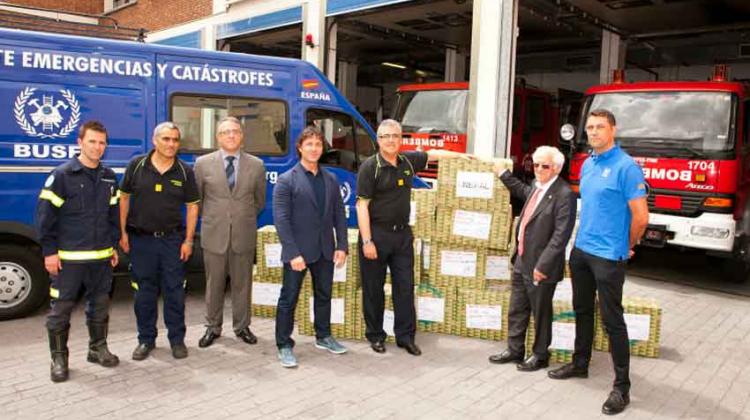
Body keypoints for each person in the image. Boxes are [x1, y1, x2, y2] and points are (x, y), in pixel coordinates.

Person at [547, 109, 649, 416]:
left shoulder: (627, 167)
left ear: (613, 130)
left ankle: (622, 387)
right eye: (590, 127)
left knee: (612, 320)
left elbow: (641, 217)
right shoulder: (588, 164)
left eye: (600, 127)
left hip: (608, 256)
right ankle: (580, 364)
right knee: (582, 310)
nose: (593, 131)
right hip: (582, 252)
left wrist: (626, 245)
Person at [356, 119, 470, 356]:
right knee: (374, 289)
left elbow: (433, 154)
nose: (390, 140)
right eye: (385, 136)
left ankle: (405, 337)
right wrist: (367, 241)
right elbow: (361, 206)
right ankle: (376, 336)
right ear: (378, 140)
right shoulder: (370, 167)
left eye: (395, 136)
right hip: (376, 235)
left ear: (401, 139)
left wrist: (462, 157)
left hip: (402, 236)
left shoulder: (408, 161)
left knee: (405, 288)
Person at [36, 121, 121, 382]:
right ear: (80, 142)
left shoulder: (109, 177)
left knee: (100, 306)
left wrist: (113, 246)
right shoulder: (62, 175)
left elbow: (112, 215)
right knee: (61, 309)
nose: (97, 147)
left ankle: (97, 349)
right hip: (69, 260)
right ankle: (59, 359)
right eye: (92, 141)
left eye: (102, 142)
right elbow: (45, 218)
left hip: (101, 258)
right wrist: (49, 252)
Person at [488, 146, 576, 371]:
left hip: (540, 266)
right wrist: (502, 173)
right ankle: (515, 350)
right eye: (535, 165)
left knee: (541, 312)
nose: (538, 169)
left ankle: (540, 354)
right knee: (517, 308)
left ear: (556, 168)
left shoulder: (564, 194)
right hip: (522, 260)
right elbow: (521, 190)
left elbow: (560, 236)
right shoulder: (537, 187)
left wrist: (543, 265)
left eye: (544, 166)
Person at [119, 122, 200, 361]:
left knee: (175, 292)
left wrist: (188, 241)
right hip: (141, 241)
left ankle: (177, 340)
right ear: (155, 141)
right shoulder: (137, 165)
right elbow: (124, 198)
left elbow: (192, 207)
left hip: (172, 241)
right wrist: (122, 233)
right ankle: (146, 340)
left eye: (175, 140)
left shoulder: (185, 171)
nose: (171, 144)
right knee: (144, 293)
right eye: (166, 139)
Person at [272, 126, 349, 368]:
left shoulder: (331, 179)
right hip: (298, 253)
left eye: (318, 144)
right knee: (289, 299)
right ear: (300, 148)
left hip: (326, 250)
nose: (314, 149)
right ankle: (284, 344)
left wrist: (342, 246)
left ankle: (323, 336)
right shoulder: (286, 180)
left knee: (324, 295)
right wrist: (293, 252)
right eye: (309, 144)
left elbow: (339, 214)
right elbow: (281, 220)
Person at [194, 116, 266, 348]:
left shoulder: (256, 165)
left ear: (242, 136)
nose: (231, 135)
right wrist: (219, 217)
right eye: (226, 132)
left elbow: (259, 201)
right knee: (213, 284)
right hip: (214, 234)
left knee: (242, 284)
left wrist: (239, 217)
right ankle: (212, 327)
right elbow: (199, 199)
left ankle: (242, 326)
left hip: (243, 234)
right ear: (218, 137)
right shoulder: (202, 163)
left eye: (235, 131)